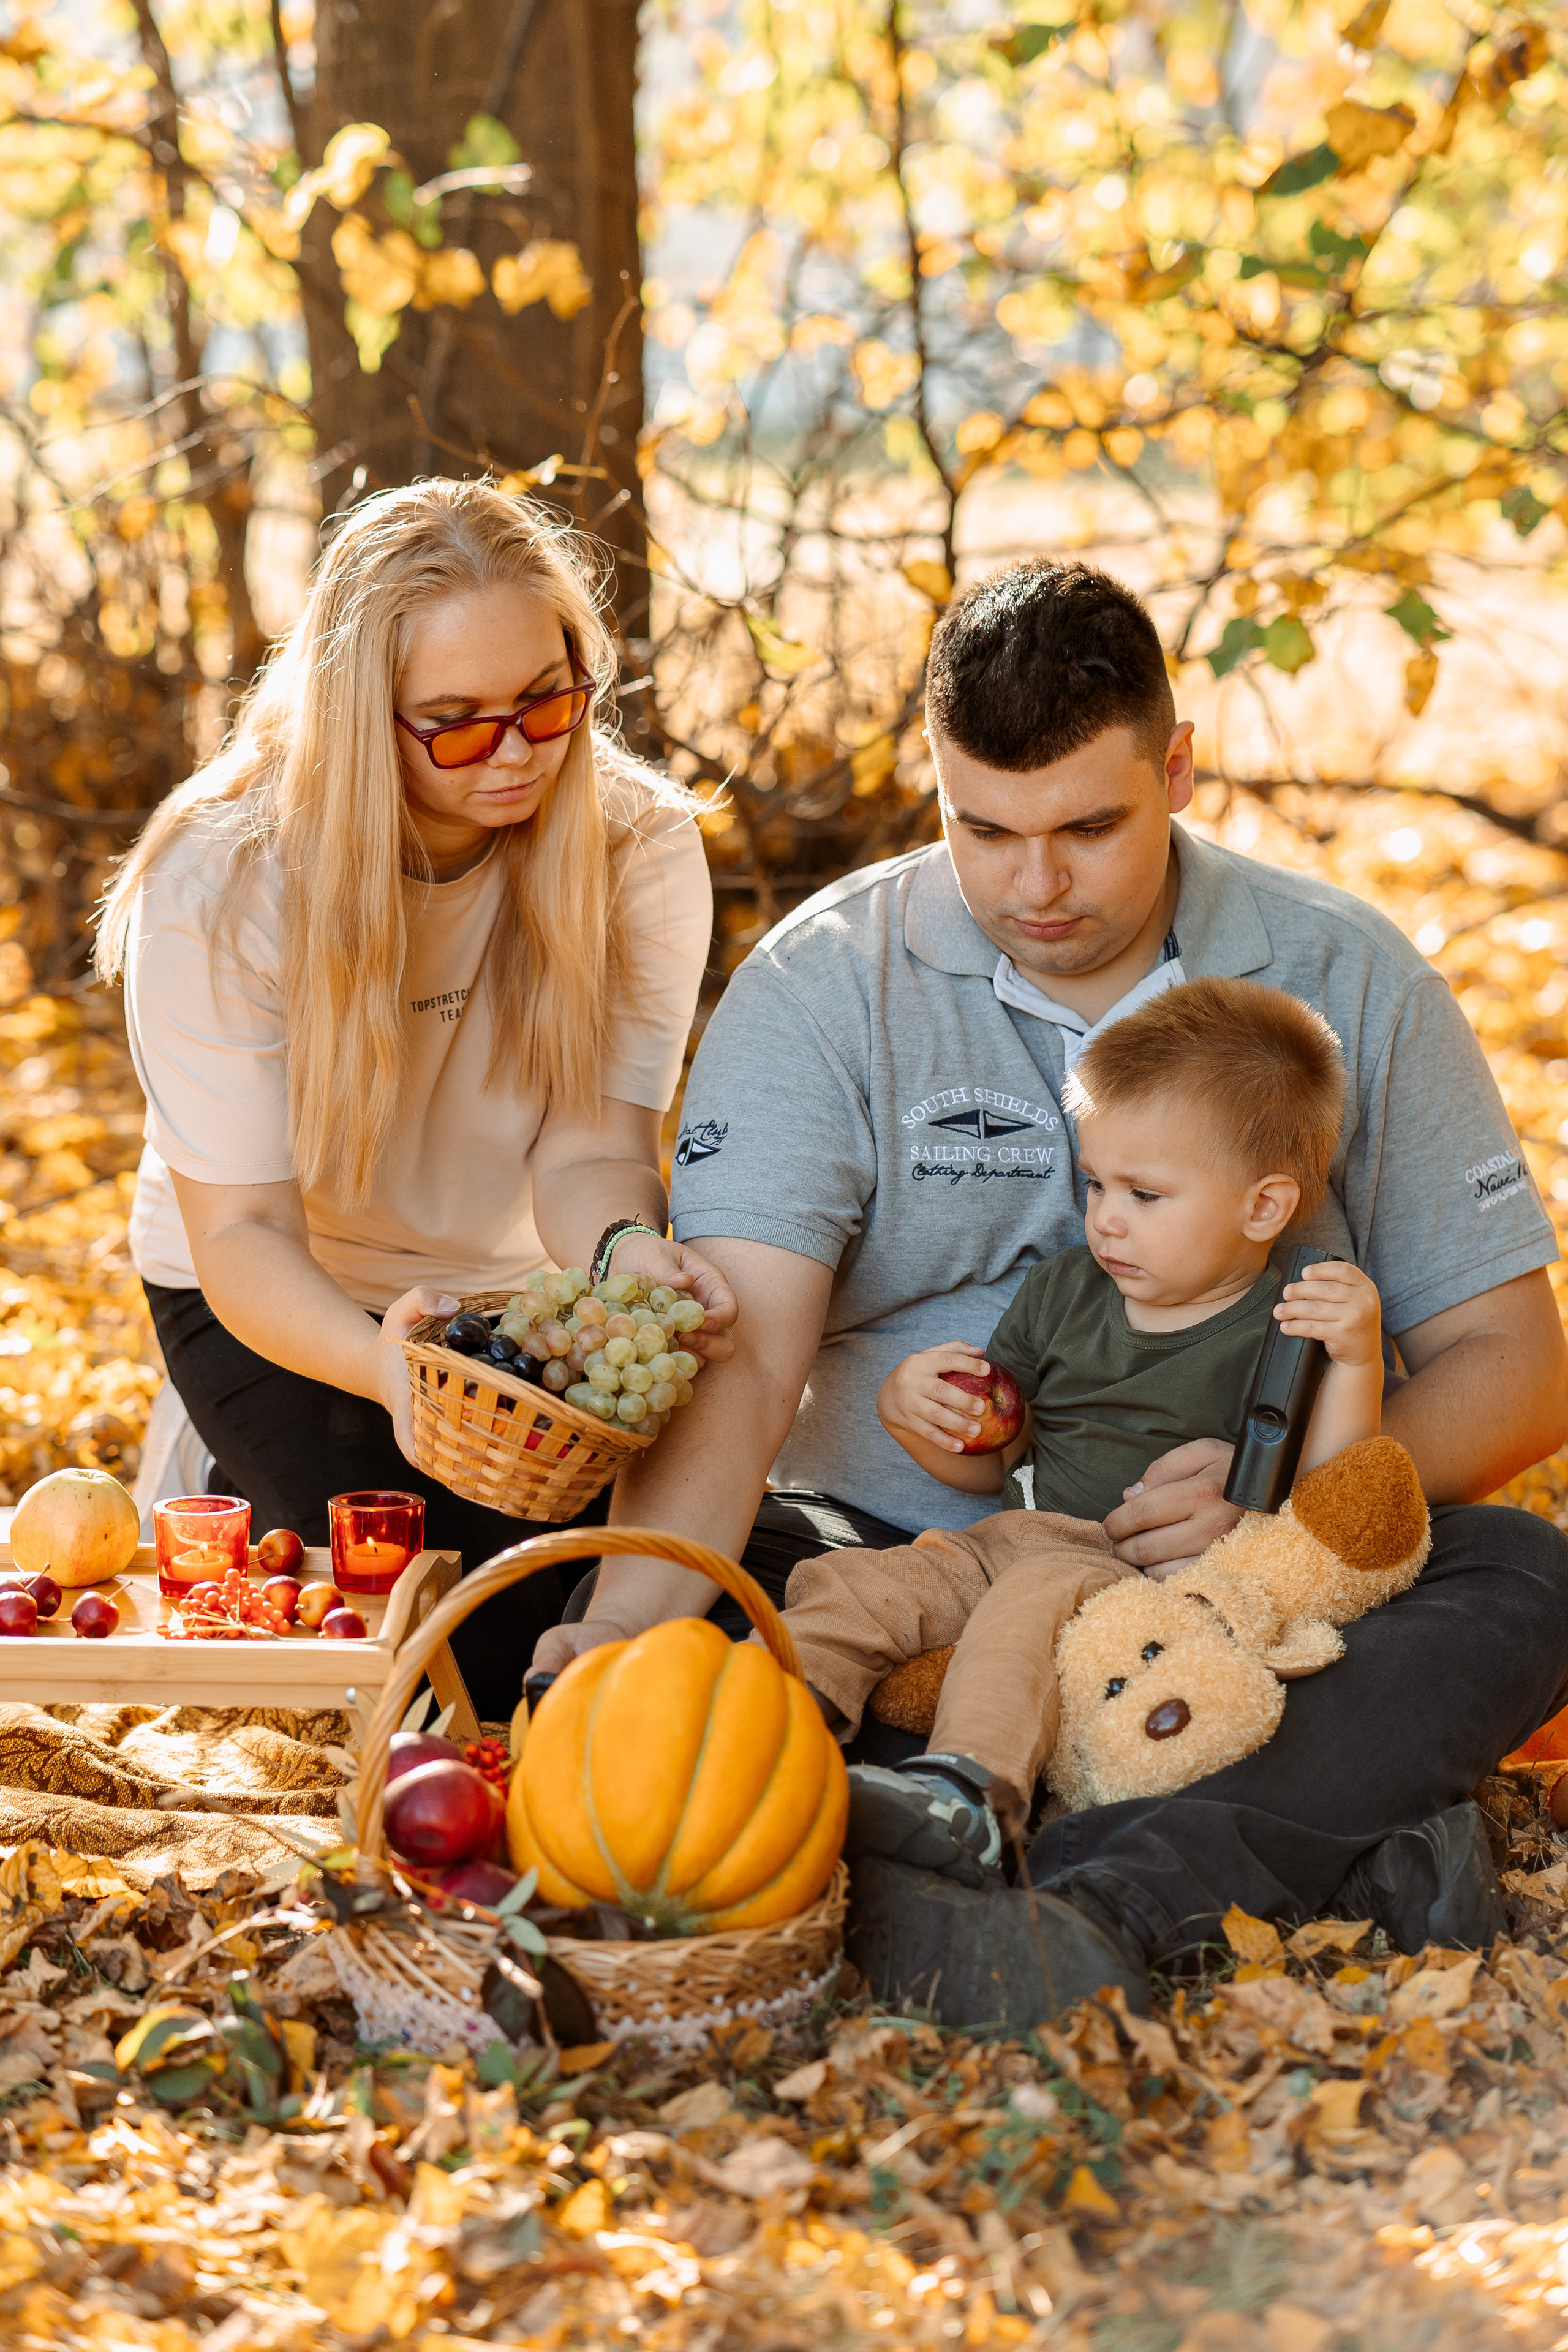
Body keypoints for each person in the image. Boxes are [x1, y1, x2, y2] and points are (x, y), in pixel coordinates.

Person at [536, 556, 1568, 1993]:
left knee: (1520, 1576)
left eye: (1089, 826)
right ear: (934, 782)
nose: (1035, 885)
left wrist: (1282, 1498)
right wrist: (618, 1633)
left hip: (1241, 1588)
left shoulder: (1348, 981)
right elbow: (747, 1359)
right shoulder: (823, 985)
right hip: (898, 1551)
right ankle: (1333, 1835)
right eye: (983, 829)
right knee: (728, 1610)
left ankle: (1077, 1894)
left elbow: (1518, 1363)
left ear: (1180, 771)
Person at [96, 480, 734, 1719]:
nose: (514, 756)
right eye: (453, 723)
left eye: (547, 705)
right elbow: (244, 1234)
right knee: (470, 1648)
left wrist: (623, 1252)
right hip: (290, 1299)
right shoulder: (223, 879)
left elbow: (593, 1147)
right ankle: (229, 1442)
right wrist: (386, 1374)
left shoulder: (635, 844)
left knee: (639, 1613)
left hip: (511, 1300)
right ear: (355, 719)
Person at [782, 975, 1386, 1882]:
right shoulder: (1067, 1290)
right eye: (1095, 1181)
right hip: (1002, 1536)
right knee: (850, 1584)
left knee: (1028, 1606)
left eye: (1145, 1194)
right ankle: (759, 1722)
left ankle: (971, 1794)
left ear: (1262, 1207)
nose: (1105, 1217)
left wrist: (1359, 1358)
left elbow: (1331, 1496)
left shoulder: (1289, 1321)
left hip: (1126, 1574)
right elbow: (996, 1463)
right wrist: (916, 1415)